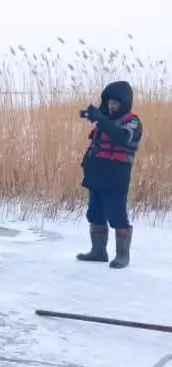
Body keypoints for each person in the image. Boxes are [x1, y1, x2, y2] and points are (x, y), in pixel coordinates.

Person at [76, 81, 143, 269]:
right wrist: (97, 116)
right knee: (94, 213)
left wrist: (102, 119)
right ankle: (98, 251)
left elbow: (121, 137)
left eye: (115, 103)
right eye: (109, 102)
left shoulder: (132, 122)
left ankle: (122, 255)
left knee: (117, 214)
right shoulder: (105, 120)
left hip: (115, 176)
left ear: (124, 103)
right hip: (97, 174)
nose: (111, 106)